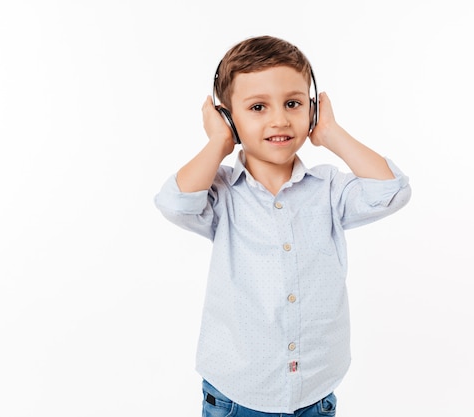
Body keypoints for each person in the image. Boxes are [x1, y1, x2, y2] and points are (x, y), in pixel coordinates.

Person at [155, 35, 411, 416]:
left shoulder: (328, 188)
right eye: (258, 107)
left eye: (293, 103)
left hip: (315, 391)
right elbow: (175, 202)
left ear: (311, 109)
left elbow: (391, 191)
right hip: (238, 394)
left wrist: (331, 135)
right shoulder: (222, 191)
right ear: (229, 117)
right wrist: (219, 141)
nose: (279, 119)